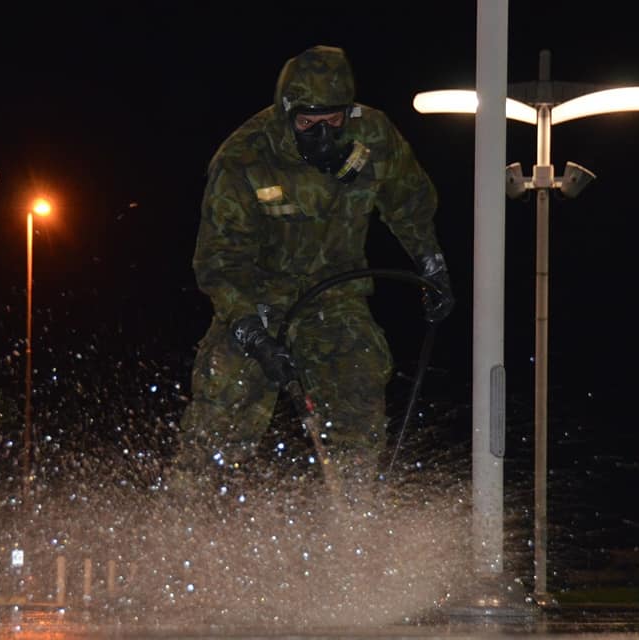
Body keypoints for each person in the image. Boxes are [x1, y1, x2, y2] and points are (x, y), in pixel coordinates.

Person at [171, 45, 453, 496]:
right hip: (257, 300)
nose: (322, 135)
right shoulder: (243, 158)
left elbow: (410, 203)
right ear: (287, 115)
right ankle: (188, 515)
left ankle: (353, 518)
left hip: (336, 298)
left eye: (332, 122)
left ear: (348, 111)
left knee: (358, 395)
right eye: (307, 124)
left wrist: (430, 264)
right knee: (222, 407)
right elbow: (220, 261)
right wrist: (252, 333)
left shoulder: (374, 136)